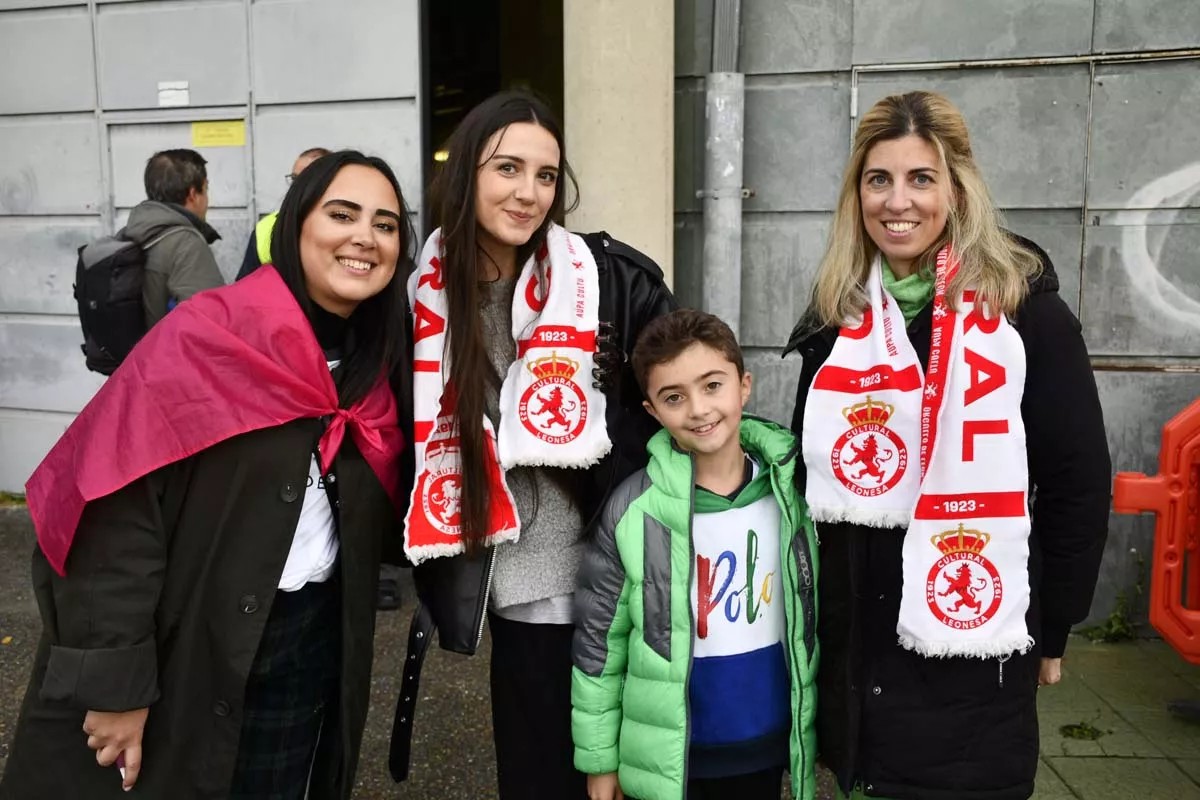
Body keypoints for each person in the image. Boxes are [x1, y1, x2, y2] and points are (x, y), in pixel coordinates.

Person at [0, 150, 414, 799]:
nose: (365, 235)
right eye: (343, 214)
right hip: (186, 652)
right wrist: (116, 688)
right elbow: (114, 517)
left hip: (310, 648)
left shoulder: (381, 365)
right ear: (296, 226)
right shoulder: (205, 338)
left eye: (387, 224)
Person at [784, 91, 1111, 800]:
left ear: (957, 189)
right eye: (879, 179)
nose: (897, 201)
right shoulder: (834, 317)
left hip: (969, 648)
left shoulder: (1024, 316)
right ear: (857, 193)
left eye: (921, 178)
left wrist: (1053, 625)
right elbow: (810, 479)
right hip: (856, 650)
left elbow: (1075, 482)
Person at [387, 90, 677, 799]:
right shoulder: (418, 297)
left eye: (545, 175)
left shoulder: (605, 280)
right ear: (466, 177)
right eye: (507, 169)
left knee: (641, 764)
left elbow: (682, 389)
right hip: (522, 581)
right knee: (542, 768)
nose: (528, 193)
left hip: (624, 561)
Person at [571, 309, 820, 800]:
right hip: (674, 755)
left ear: (744, 386)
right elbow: (600, 643)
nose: (699, 409)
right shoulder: (633, 510)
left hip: (765, 742)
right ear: (652, 411)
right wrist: (600, 759)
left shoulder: (793, 492)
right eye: (674, 397)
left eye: (712, 386)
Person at [125, 148, 225, 327]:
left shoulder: (131, 232)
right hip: (164, 353)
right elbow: (209, 326)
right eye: (206, 189)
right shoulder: (186, 244)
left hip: (136, 354)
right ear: (193, 194)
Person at [238, 147, 333, 280]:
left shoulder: (345, 223)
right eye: (295, 179)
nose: (297, 186)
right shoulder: (266, 227)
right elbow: (244, 288)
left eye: (306, 179)